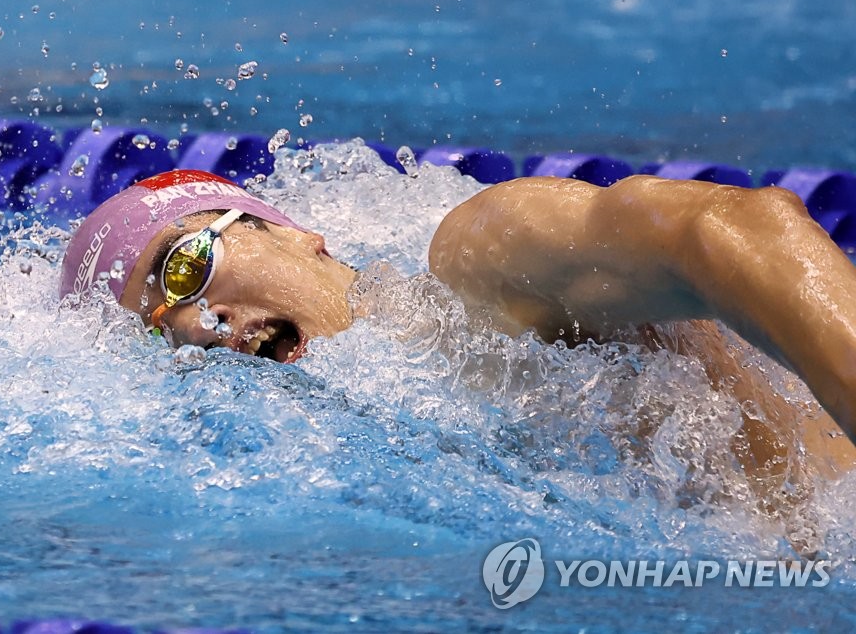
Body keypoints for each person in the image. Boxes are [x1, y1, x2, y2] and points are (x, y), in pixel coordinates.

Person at [60, 168, 856, 495]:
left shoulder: (477, 261)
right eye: (158, 330)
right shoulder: (362, 456)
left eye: (185, 268)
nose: (197, 325)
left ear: (294, 234)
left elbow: (729, 228)